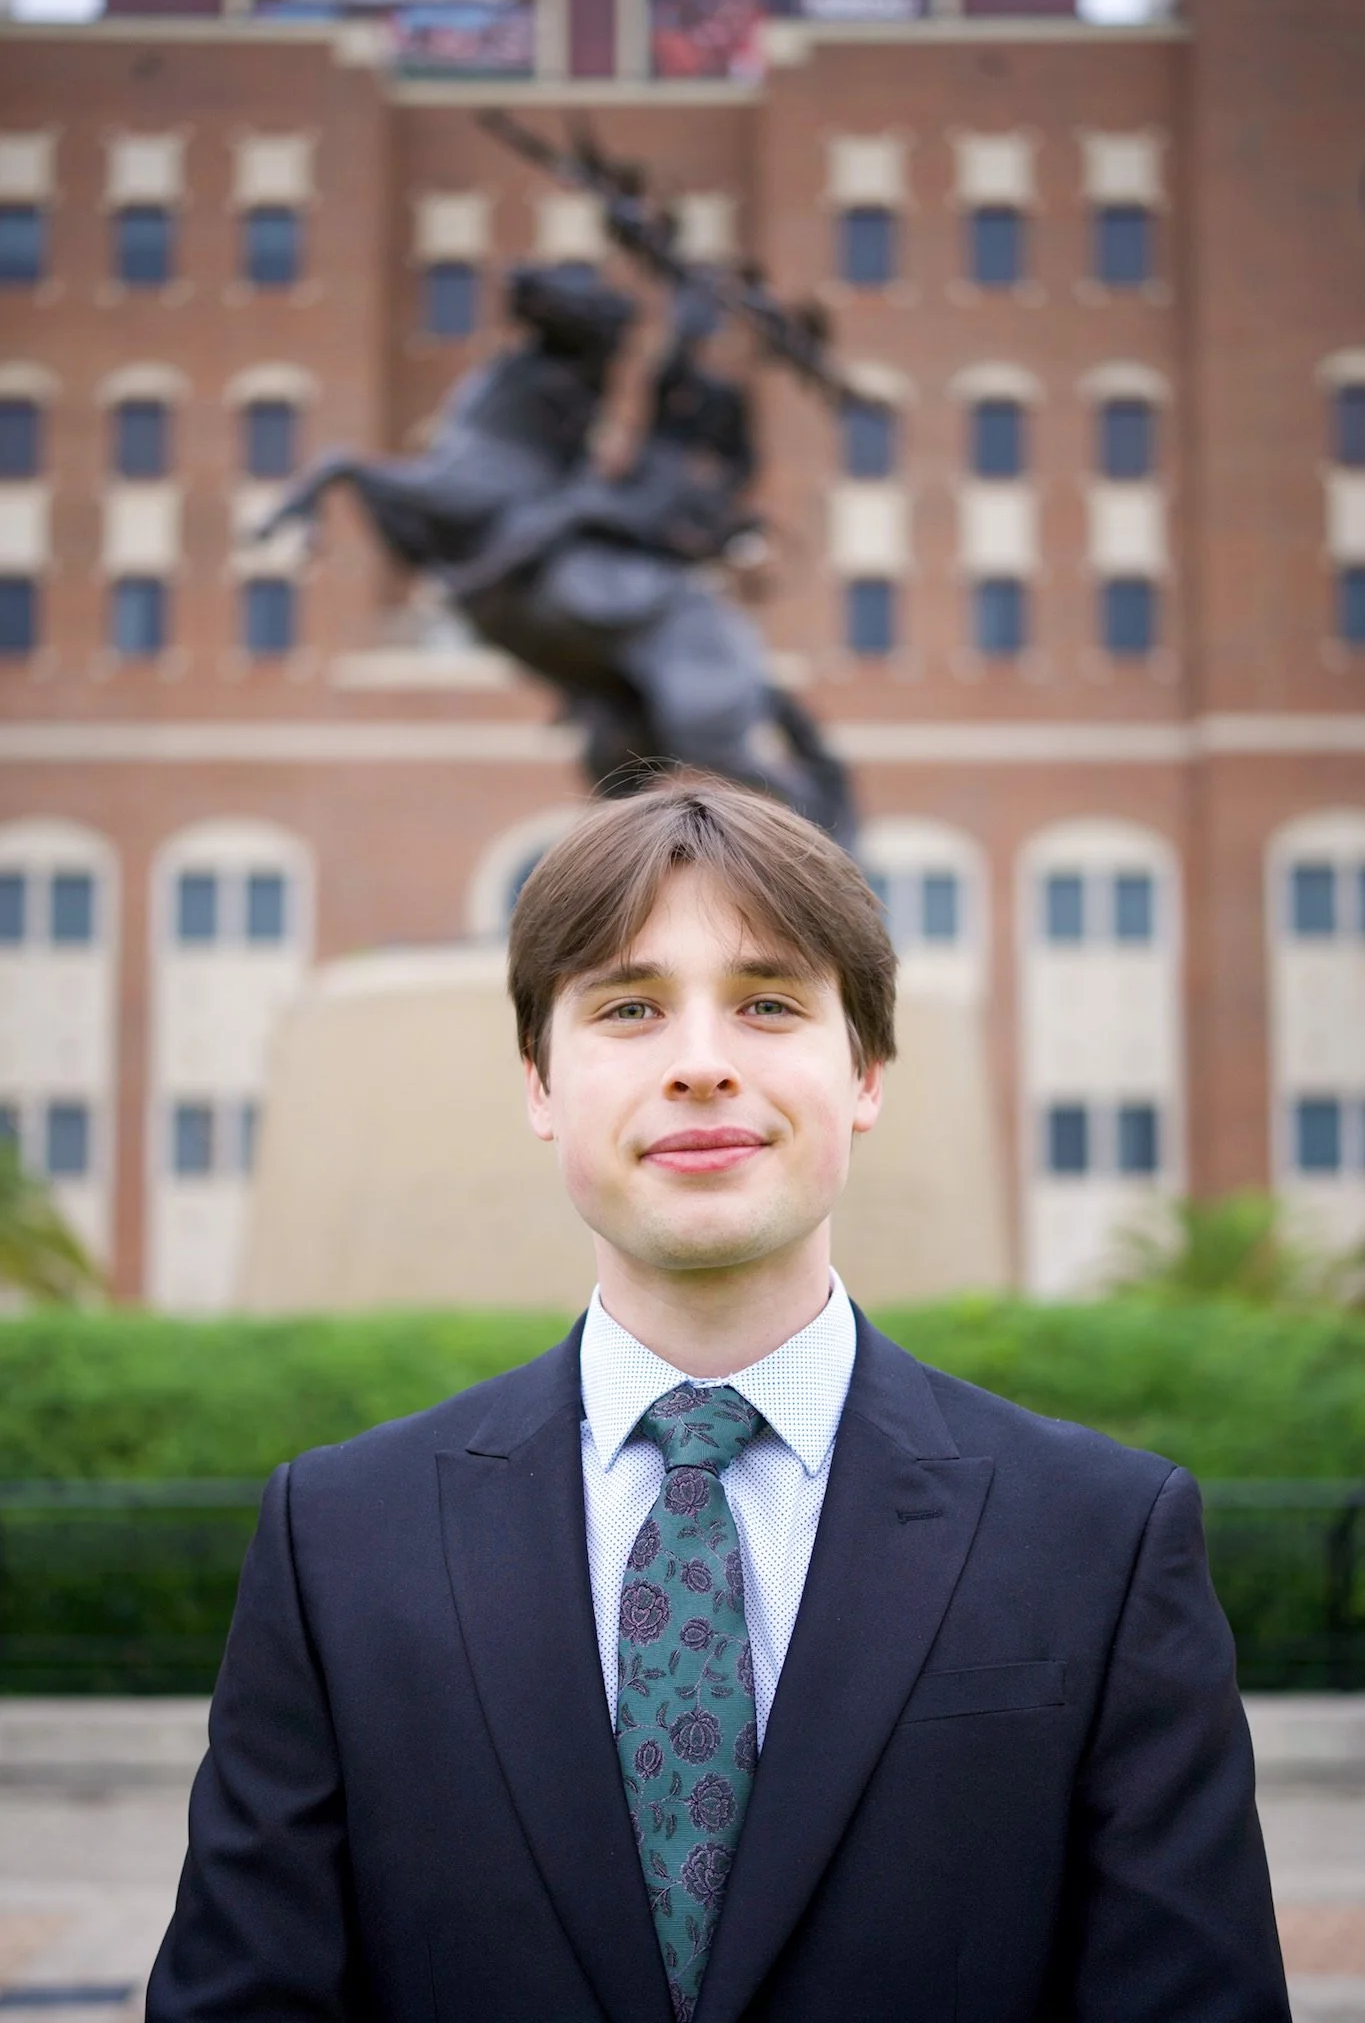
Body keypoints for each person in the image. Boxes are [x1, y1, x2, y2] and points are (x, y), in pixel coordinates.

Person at [147, 780, 1291, 2023]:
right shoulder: (338, 1540)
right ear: (539, 1081)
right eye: (629, 1006)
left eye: (768, 1003)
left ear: (866, 1072)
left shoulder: (1102, 1538)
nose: (701, 1065)